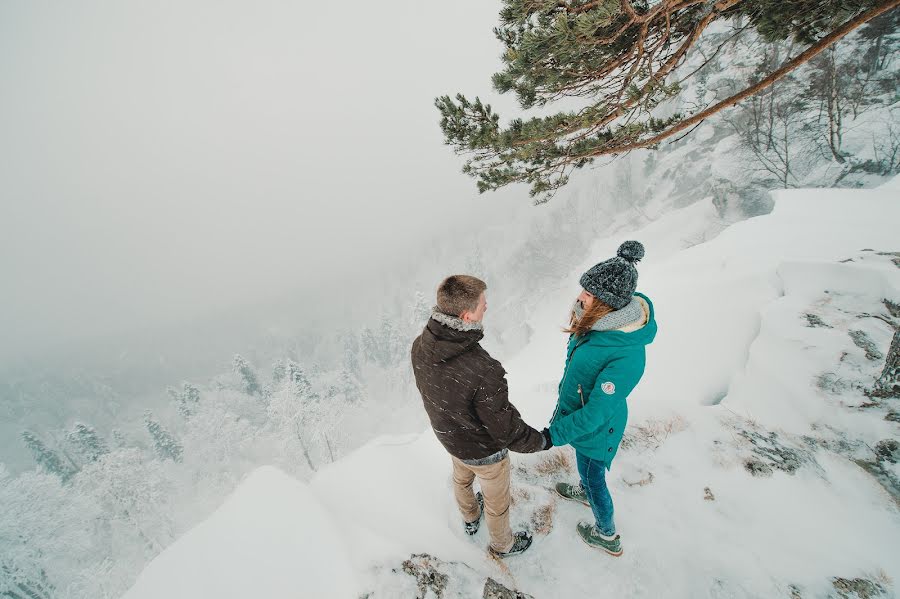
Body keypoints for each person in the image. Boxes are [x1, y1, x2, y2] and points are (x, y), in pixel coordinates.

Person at [411, 275, 551, 558]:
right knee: (497, 502)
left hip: (450, 438)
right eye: (482, 304)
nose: (486, 307)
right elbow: (506, 430)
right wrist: (541, 441)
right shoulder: (483, 369)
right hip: (484, 451)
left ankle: (470, 518)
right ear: (466, 315)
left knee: (461, 480)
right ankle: (503, 545)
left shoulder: (420, 346)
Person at [548, 241, 657, 556]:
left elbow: (596, 412)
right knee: (586, 467)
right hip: (585, 423)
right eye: (584, 289)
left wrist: (552, 435)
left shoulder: (626, 354)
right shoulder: (597, 325)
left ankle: (606, 534)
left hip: (598, 428)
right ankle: (583, 489)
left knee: (596, 477)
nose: (580, 297)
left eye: (589, 294)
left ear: (608, 303)